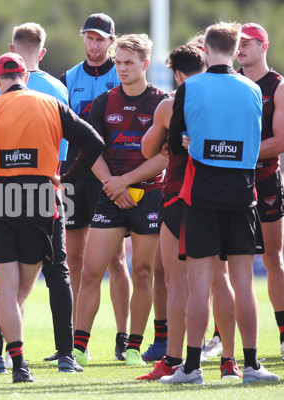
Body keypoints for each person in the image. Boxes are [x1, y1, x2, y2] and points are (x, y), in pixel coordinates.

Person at [0, 52, 105, 384]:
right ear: (25, 77)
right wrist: (68, 177)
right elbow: (95, 142)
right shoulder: (50, 104)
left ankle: (10, 361)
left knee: (7, 289)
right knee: (21, 291)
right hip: (42, 197)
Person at [162, 21, 279, 384]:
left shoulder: (190, 87)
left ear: (206, 50)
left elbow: (175, 138)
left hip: (201, 196)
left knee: (200, 284)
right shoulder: (253, 89)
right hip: (244, 195)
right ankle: (251, 365)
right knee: (244, 283)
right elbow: (254, 139)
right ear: (234, 50)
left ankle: (192, 367)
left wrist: (193, 141)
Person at [0, 22, 79, 373]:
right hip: (47, 188)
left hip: (0, 190)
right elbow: (73, 142)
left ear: (9, 49)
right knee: (56, 273)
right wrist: (65, 177)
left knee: (3, 280)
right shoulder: (55, 88)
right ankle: (66, 354)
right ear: (43, 52)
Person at [68, 33, 169, 367]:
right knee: (91, 271)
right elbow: (90, 150)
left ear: (145, 64)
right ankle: (79, 347)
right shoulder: (104, 102)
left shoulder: (162, 102)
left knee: (142, 272)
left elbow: (166, 156)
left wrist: (125, 181)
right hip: (110, 196)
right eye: (119, 62)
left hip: (149, 196)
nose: (122, 68)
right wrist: (113, 185)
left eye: (129, 62)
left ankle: (132, 348)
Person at [136, 44, 235, 380]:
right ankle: (230, 361)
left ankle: (176, 360)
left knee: (178, 282)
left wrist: (164, 137)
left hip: (180, 194)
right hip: (223, 193)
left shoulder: (171, 102)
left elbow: (148, 149)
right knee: (219, 280)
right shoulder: (229, 97)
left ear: (177, 74)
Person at [59, 13, 132, 362]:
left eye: (101, 38)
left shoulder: (123, 74)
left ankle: (123, 337)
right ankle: (76, 341)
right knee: (74, 258)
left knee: (116, 260)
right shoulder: (67, 79)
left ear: (111, 41)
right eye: (89, 37)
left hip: (111, 175)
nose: (94, 44)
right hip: (74, 175)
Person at [237, 22, 284, 360]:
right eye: (236, 43)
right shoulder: (230, 83)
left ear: (263, 46)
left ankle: (282, 333)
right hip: (230, 184)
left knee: (272, 257)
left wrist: (235, 153)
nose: (240, 48)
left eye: (247, 43)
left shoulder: (277, 86)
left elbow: (281, 142)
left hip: (265, 179)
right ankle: (218, 337)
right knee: (227, 263)